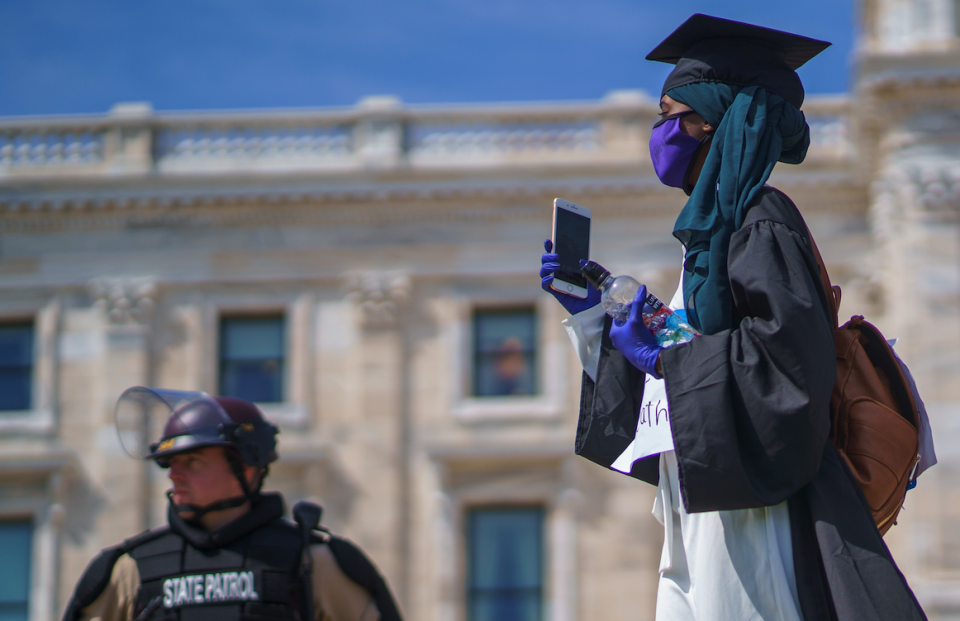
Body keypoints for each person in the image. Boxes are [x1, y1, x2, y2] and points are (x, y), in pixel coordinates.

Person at [541, 14, 927, 621]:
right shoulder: (711, 239)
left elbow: (787, 363)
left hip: (753, 511)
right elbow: (696, 367)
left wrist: (667, 356)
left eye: (668, 114)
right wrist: (596, 320)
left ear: (710, 123)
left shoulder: (760, 218)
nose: (659, 132)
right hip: (702, 499)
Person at [63, 388, 402, 621]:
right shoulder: (129, 570)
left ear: (248, 464)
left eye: (193, 461)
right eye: (170, 464)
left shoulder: (314, 562)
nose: (174, 475)